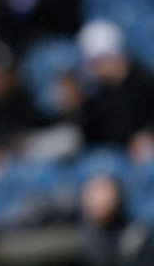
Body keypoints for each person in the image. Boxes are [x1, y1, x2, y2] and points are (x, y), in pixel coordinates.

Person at [66, 20, 154, 161]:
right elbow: (93, 136)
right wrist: (76, 110)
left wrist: (149, 134)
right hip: (115, 156)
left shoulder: (145, 81)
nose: (97, 68)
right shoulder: (97, 93)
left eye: (100, 61)